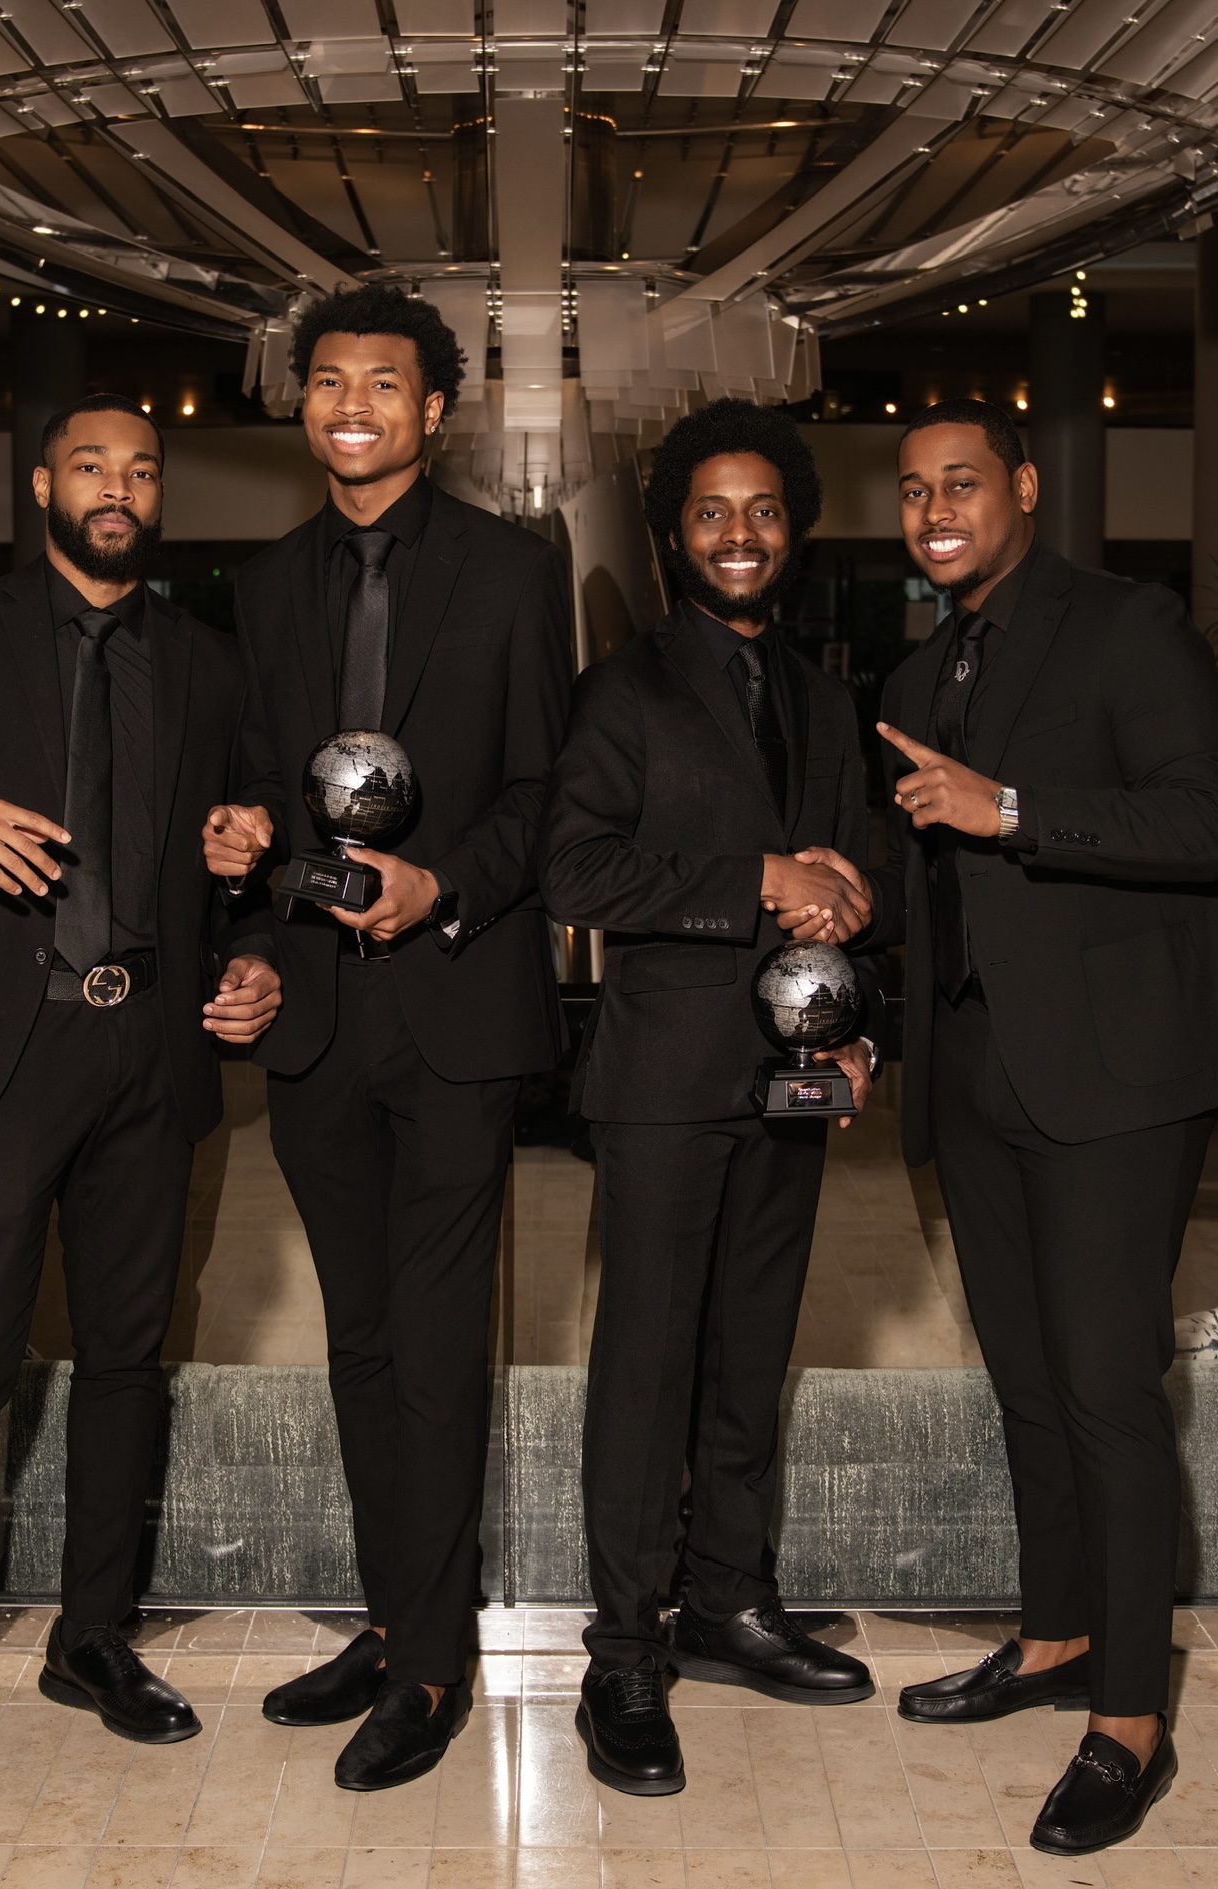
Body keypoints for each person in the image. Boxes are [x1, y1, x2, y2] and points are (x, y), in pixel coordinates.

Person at [809, 397, 1218, 1855]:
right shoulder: (923, 662)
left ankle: (1129, 1713)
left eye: (961, 482)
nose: (933, 507)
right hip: (977, 1081)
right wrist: (876, 1025)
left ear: (1023, 489)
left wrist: (1018, 807)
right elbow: (934, 896)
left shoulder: (1127, 625)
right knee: (1029, 1379)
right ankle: (1054, 1636)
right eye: (913, 488)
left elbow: (1203, 817)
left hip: (1112, 1076)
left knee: (1106, 1385)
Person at [0, 394, 281, 1808]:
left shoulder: (209, 664)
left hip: (149, 1057)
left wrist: (253, 930)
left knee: (123, 1361)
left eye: (140, 469)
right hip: (1, 1051)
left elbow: (244, 852)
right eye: (91, 465)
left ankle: (92, 1636)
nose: (117, 488)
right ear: (41, 481)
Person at [203, 284, 572, 1791]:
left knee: (429, 1342)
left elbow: (544, 795)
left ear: (435, 409)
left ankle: (432, 1662)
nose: (352, 401)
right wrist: (237, 866)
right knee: (357, 1342)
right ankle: (397, 1614)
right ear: (303, 405)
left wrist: (445, 882)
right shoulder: (268, 579)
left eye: (385, 382)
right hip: (315, 1017)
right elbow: (253, 795)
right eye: (328, 379)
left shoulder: (510, 570)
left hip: (454, 1007)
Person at [537, 399, 884, 1796]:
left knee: (750, 1358)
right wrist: (751, 874)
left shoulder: (819, 691)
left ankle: (729, 1599)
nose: (737, 535)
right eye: (709, 513)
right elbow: (575, 875)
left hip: (792, 1076)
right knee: (647, 1367)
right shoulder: (624, 690)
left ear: (791, 527)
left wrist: (859, 1032)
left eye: (761, 511)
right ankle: (622, 1652)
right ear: (675, 532)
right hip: (666, 1084)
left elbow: (852, 882)